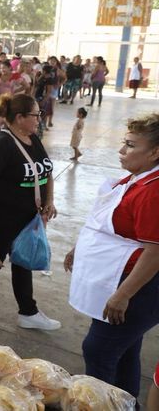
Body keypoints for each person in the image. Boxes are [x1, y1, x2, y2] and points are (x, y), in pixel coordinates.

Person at [65, 113, 159, 401]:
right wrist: (79, 248)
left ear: (155, 152)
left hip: (139, 290)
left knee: (99, 350)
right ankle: (125, 402)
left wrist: (122, 295)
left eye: (131, 146)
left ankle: (100, 404)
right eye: (124, 143)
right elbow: (104, 222)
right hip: (123, 283)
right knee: (126, 350)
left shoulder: (154, 191)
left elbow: (155, 253)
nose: (121, 151)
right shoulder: (139, 178)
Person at [0, 93, 60, 337]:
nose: (40, 118)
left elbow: (46, 171)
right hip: (1, 218)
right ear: (19, 118)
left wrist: (49, 200)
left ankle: (28, 312)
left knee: (22, 263)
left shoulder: (33, 138)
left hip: (28, 218)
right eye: (35, 115)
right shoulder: (1, 144)